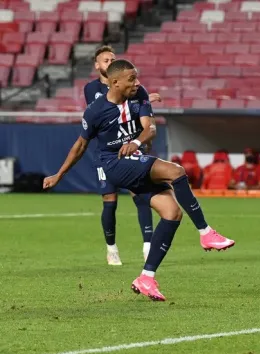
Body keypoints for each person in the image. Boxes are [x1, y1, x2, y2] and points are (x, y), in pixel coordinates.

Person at [43, 59, 235, 301]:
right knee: (176, 171)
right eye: (131, 79)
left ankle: (146, 278)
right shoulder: (95, 111)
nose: (137, 82)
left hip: (133, 156)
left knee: (172, 213)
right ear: (114, 83)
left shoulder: (140, 95)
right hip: (113, 164)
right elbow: (81, 145)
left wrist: (135, 142)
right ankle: (206, 232)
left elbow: (150, 128)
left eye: (137, 77)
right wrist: (59, 174)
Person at [85, 45, 163, 265]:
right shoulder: (92, 89)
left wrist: (145, 102)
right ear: (97, 65)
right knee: (109, 201)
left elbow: (136, 105)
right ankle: (111, 248)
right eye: (106, 60)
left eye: (113, 59)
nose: (110, 62)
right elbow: (102, 111)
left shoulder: (133, 88)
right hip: (106, 153)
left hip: (130, 146)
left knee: (140, 195)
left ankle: (148, 245)